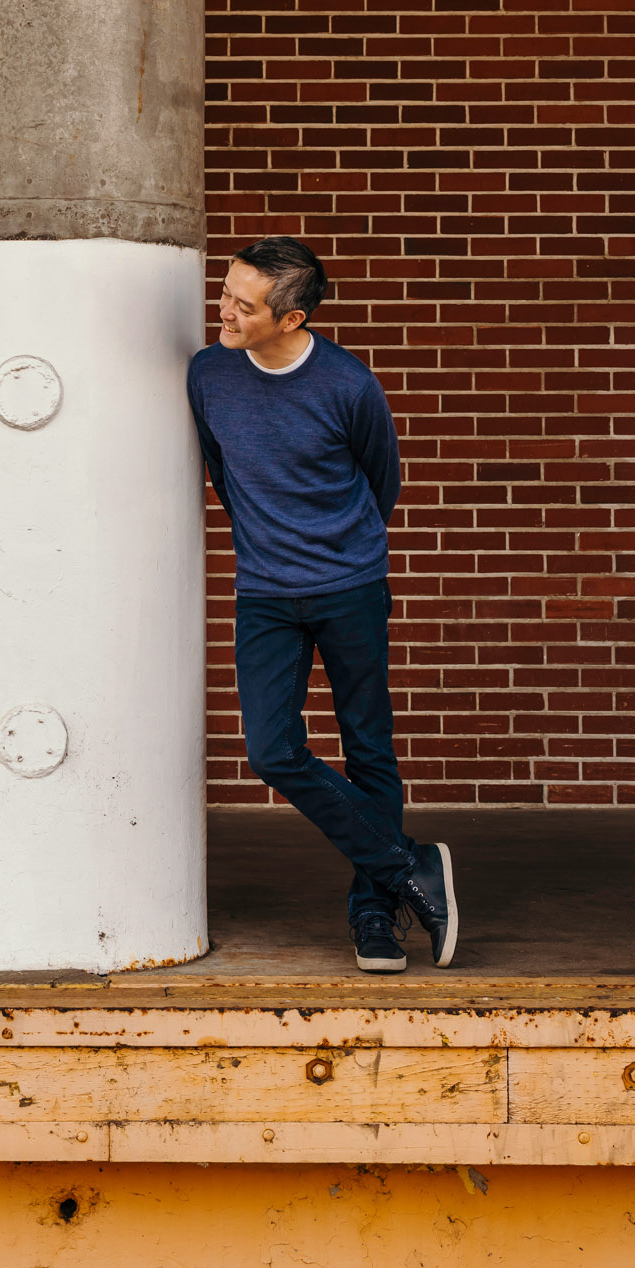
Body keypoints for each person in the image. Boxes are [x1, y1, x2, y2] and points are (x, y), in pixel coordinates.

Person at [186, 236, 459, 972]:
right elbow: (221, 469)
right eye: (225, 293)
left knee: (367, 747)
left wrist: (337, 551)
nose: (225, 311)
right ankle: (406, 867)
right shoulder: (208, 373)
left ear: (291, 318)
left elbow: (382, 481)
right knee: (271, 750)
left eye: (244, 305)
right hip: (264, 592)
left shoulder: (346, 384)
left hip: (350, 588)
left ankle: (374, 912)